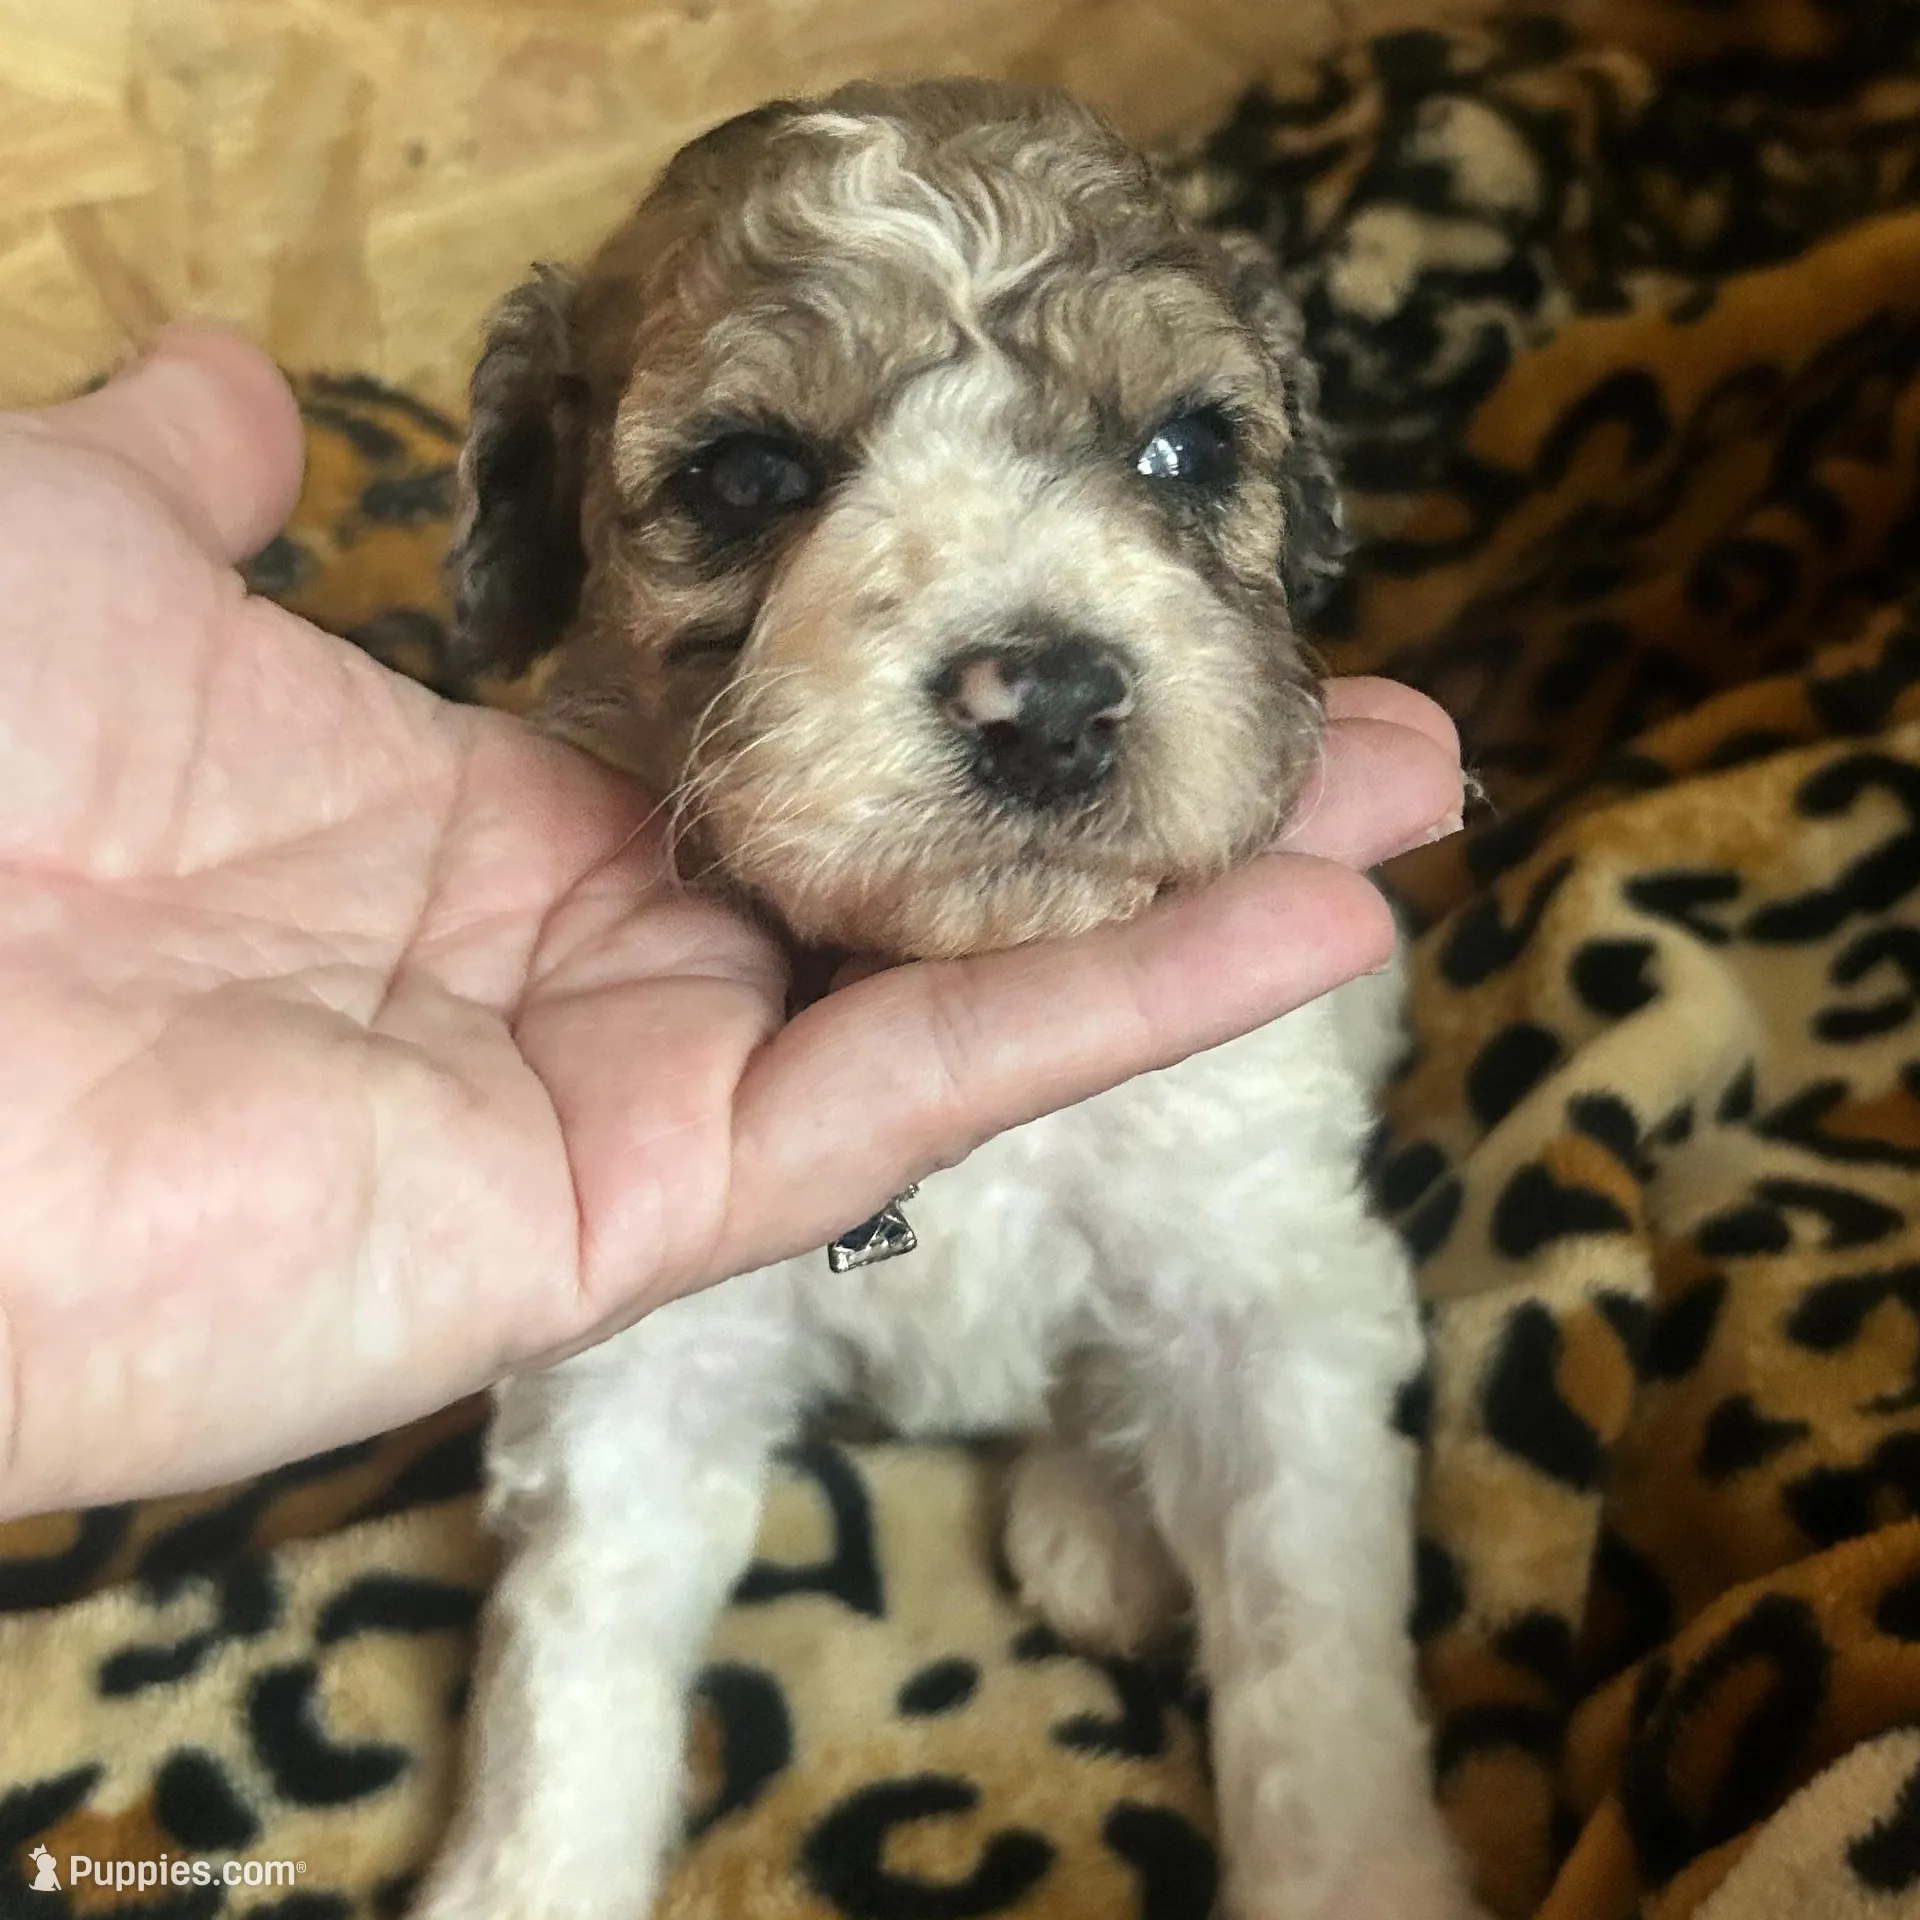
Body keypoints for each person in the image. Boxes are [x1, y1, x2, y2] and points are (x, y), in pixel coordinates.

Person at [0, 327, 1464, 1521]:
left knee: (1266, 1228)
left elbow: (1268, 1329)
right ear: (546, 526)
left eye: (1179, 452)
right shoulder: (572, 1023)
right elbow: (634, 1426)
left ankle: (1102, 1456)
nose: (1030, 692)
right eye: (756, 478)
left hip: (1174, 998)